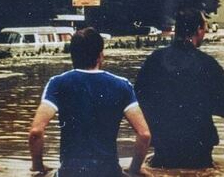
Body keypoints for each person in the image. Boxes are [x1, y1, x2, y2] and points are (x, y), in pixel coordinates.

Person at [29, 27, 151, 176]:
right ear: (100, 56)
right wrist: (134, 169)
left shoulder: (57, 83)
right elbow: (144, 134)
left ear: (72, 56)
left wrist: (38, 166)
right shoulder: (122, 85)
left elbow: (36, 131)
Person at [135, 8, 224, 169]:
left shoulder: (154, 60)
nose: (206, 31)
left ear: (177, 29)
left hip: (164, 144)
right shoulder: (209, 65)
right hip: (199, 146)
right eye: (205, 27)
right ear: (199, 30)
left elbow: (137, 98)